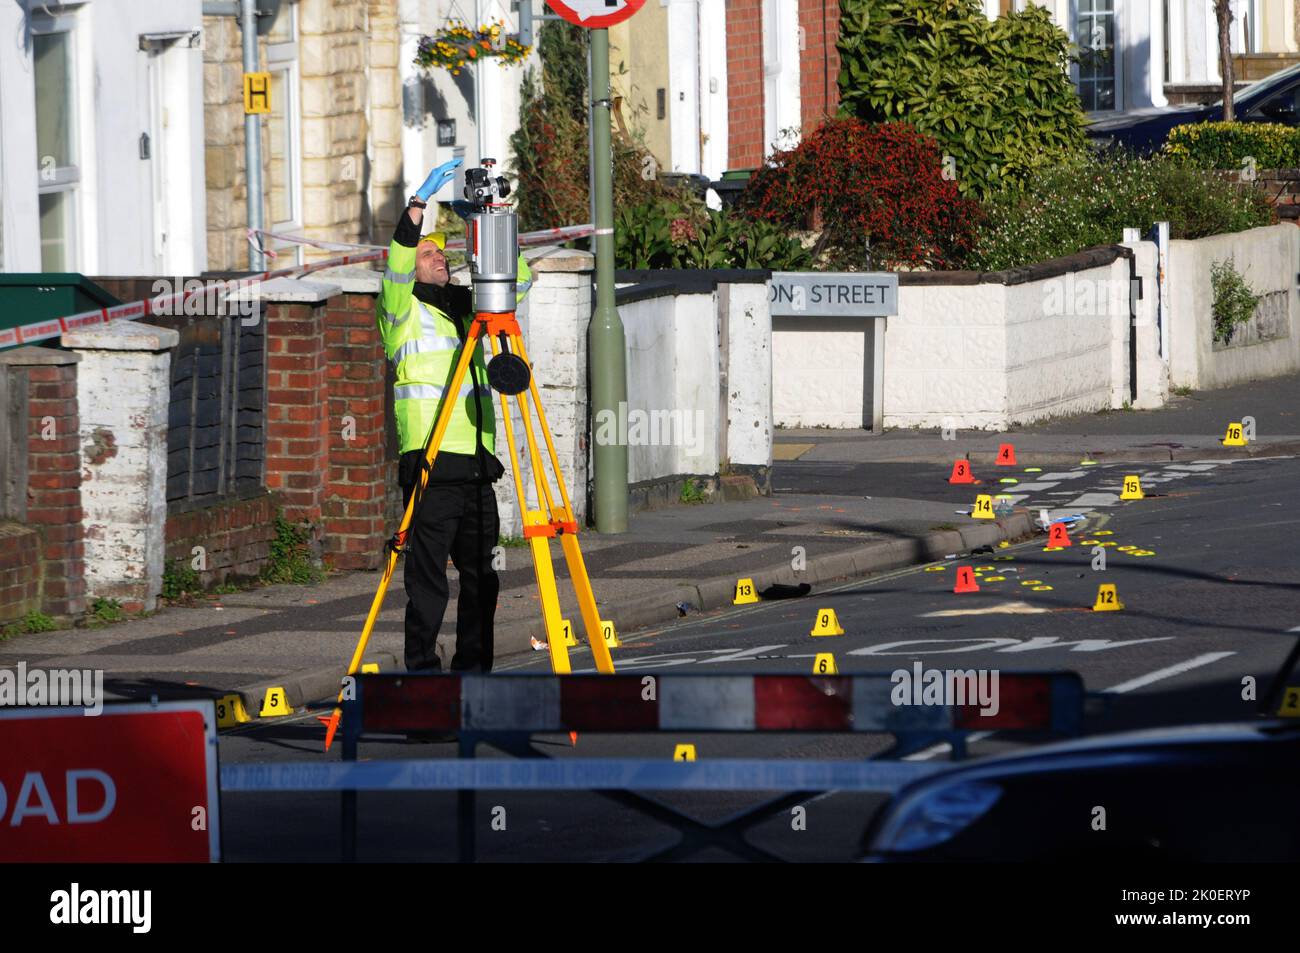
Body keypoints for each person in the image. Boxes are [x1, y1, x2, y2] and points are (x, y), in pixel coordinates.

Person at [376, 158, 531, 673]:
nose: (438, 257)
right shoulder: (400, 311)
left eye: (442, 252)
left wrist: (488, 222)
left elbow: (518, 284)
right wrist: (418, 206)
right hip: (430, 465)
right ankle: (424, 684)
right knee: (427, 586)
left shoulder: (467, 308)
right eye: (429, 253)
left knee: (483, 580)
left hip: (476, 466)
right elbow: (398, 261)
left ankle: (472, 680)